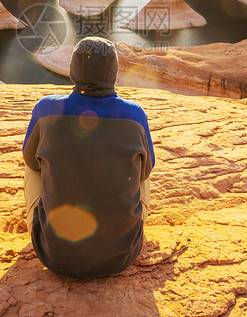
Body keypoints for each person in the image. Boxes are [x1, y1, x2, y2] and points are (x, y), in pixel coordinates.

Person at [22, 36, 154, 278]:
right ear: (113, 71)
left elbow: (30, 160)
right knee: (142, 168)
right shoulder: (135, 114)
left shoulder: (46, 108)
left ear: (73, 68)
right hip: (122, 255)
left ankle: (49, 227)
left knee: (32, 167)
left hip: (55, 255)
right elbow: (145, 173)